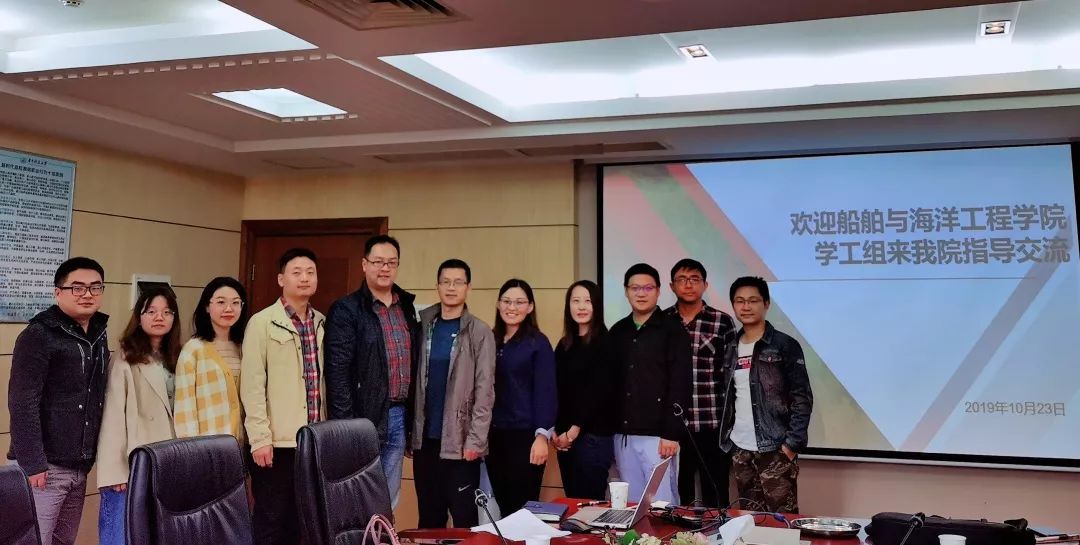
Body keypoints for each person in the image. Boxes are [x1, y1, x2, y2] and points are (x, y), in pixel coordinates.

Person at [7, 257, 109, 545]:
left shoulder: (98, 334)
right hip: (45, 467)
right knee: (34, 540)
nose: (87, 294)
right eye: (77, 287)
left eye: (95, 287)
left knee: (64, 540)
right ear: (57, 292)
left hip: (79, 465)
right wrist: (33, 463)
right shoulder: (38, 335)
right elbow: (22, 402)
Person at [325, 234, 420, 509]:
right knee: (358, 495)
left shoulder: (406, 307)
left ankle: (381, 533)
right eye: (378, 261)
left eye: (391, 262)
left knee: (388, 497)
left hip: (398, 415)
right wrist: (346, 427)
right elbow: (337, 373)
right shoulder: (347, 310)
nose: (385, 268)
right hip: (362, 417)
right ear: (364, 264)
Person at [242, 248, 325, 545]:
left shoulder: (321, 322)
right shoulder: (262, 322)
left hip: (312, 441)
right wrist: (260, 438)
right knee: (271, 520)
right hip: (277, 444)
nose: (304, 278)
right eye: (296, 272)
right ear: (281, 279)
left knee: (301, 521)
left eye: (310, 272)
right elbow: (252, 384)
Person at [410, 259, 496, 528]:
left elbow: (485, 390)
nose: (451, 288)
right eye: (445, 282)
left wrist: (476, 441)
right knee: (429, 519)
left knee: (464, 520)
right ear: (437, 286)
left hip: (461, 444)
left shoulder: (479, 332)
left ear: (468, 287)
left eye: (458, 282)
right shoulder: (424, 327)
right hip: (425, 442)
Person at [96, 286, 182, 545]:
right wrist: (115, 471)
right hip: (134, 463)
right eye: (151, 311)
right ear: (139, 316)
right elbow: (112, 416)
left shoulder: (179, 356)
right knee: (121, 535)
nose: (159, 317)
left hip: (169, 460)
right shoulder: (126, 356)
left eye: (167, 312)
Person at [720, 276, 813, 514]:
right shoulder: (730, 347)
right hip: (741, 449)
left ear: (766, 304)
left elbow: (802, 398)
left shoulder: (784, 345)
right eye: (740, 301)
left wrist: (791, 446)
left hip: (775, 449)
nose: (746, 306)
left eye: (753, 300)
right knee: (750, 520)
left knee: (782, 522)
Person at [608, 263, 691, 505]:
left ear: (658, 291)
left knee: (661, 504)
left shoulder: (673, 330)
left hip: (659, 438)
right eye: (635, 288)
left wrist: (671, 433)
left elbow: (681, 383)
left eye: (647, 288)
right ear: (626, 291)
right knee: (631, 505)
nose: (641, 293)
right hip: (623, 435)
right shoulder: (618, 331)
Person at [665, 259, 736, 507]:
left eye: (694, 279)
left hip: (711, 424)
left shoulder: (722, 321)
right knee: (677, 496)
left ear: (705, 285)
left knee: (716, 495)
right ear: (672, 286)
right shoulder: (662, 321)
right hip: (674, 429)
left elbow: (731, 377)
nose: (688, 285)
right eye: (682, 279)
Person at [486, 278, 557, 515]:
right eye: (506, 301)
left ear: (530, 307)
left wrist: (542, 436)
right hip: (494, 436)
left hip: (526, 437)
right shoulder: (490, 340)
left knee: (523, 509)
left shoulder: (538, 343)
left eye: (519, 302)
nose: (512, 307)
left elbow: (546, 391)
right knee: (504, 506)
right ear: (498, 304)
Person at [553, 280, 614, 501]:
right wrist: (556, 432)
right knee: (573, 502)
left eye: (587, 301)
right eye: (575, 301)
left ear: (596, 305)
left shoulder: (605, 343)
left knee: (590, 505)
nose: (581, 306)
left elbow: (598, 393)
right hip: (565, 441)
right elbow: (556, 389)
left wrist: (573, 431)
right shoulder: (564, 345)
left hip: (593, 438)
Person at [174, 276, 249, 443]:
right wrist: (192, 448)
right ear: (207, 306)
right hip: (207, 446)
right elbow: (184, 407)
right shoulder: (193, 349)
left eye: (236, 303)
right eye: (221, 302)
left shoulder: (245, 347)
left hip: (241, 445)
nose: (229, 309)